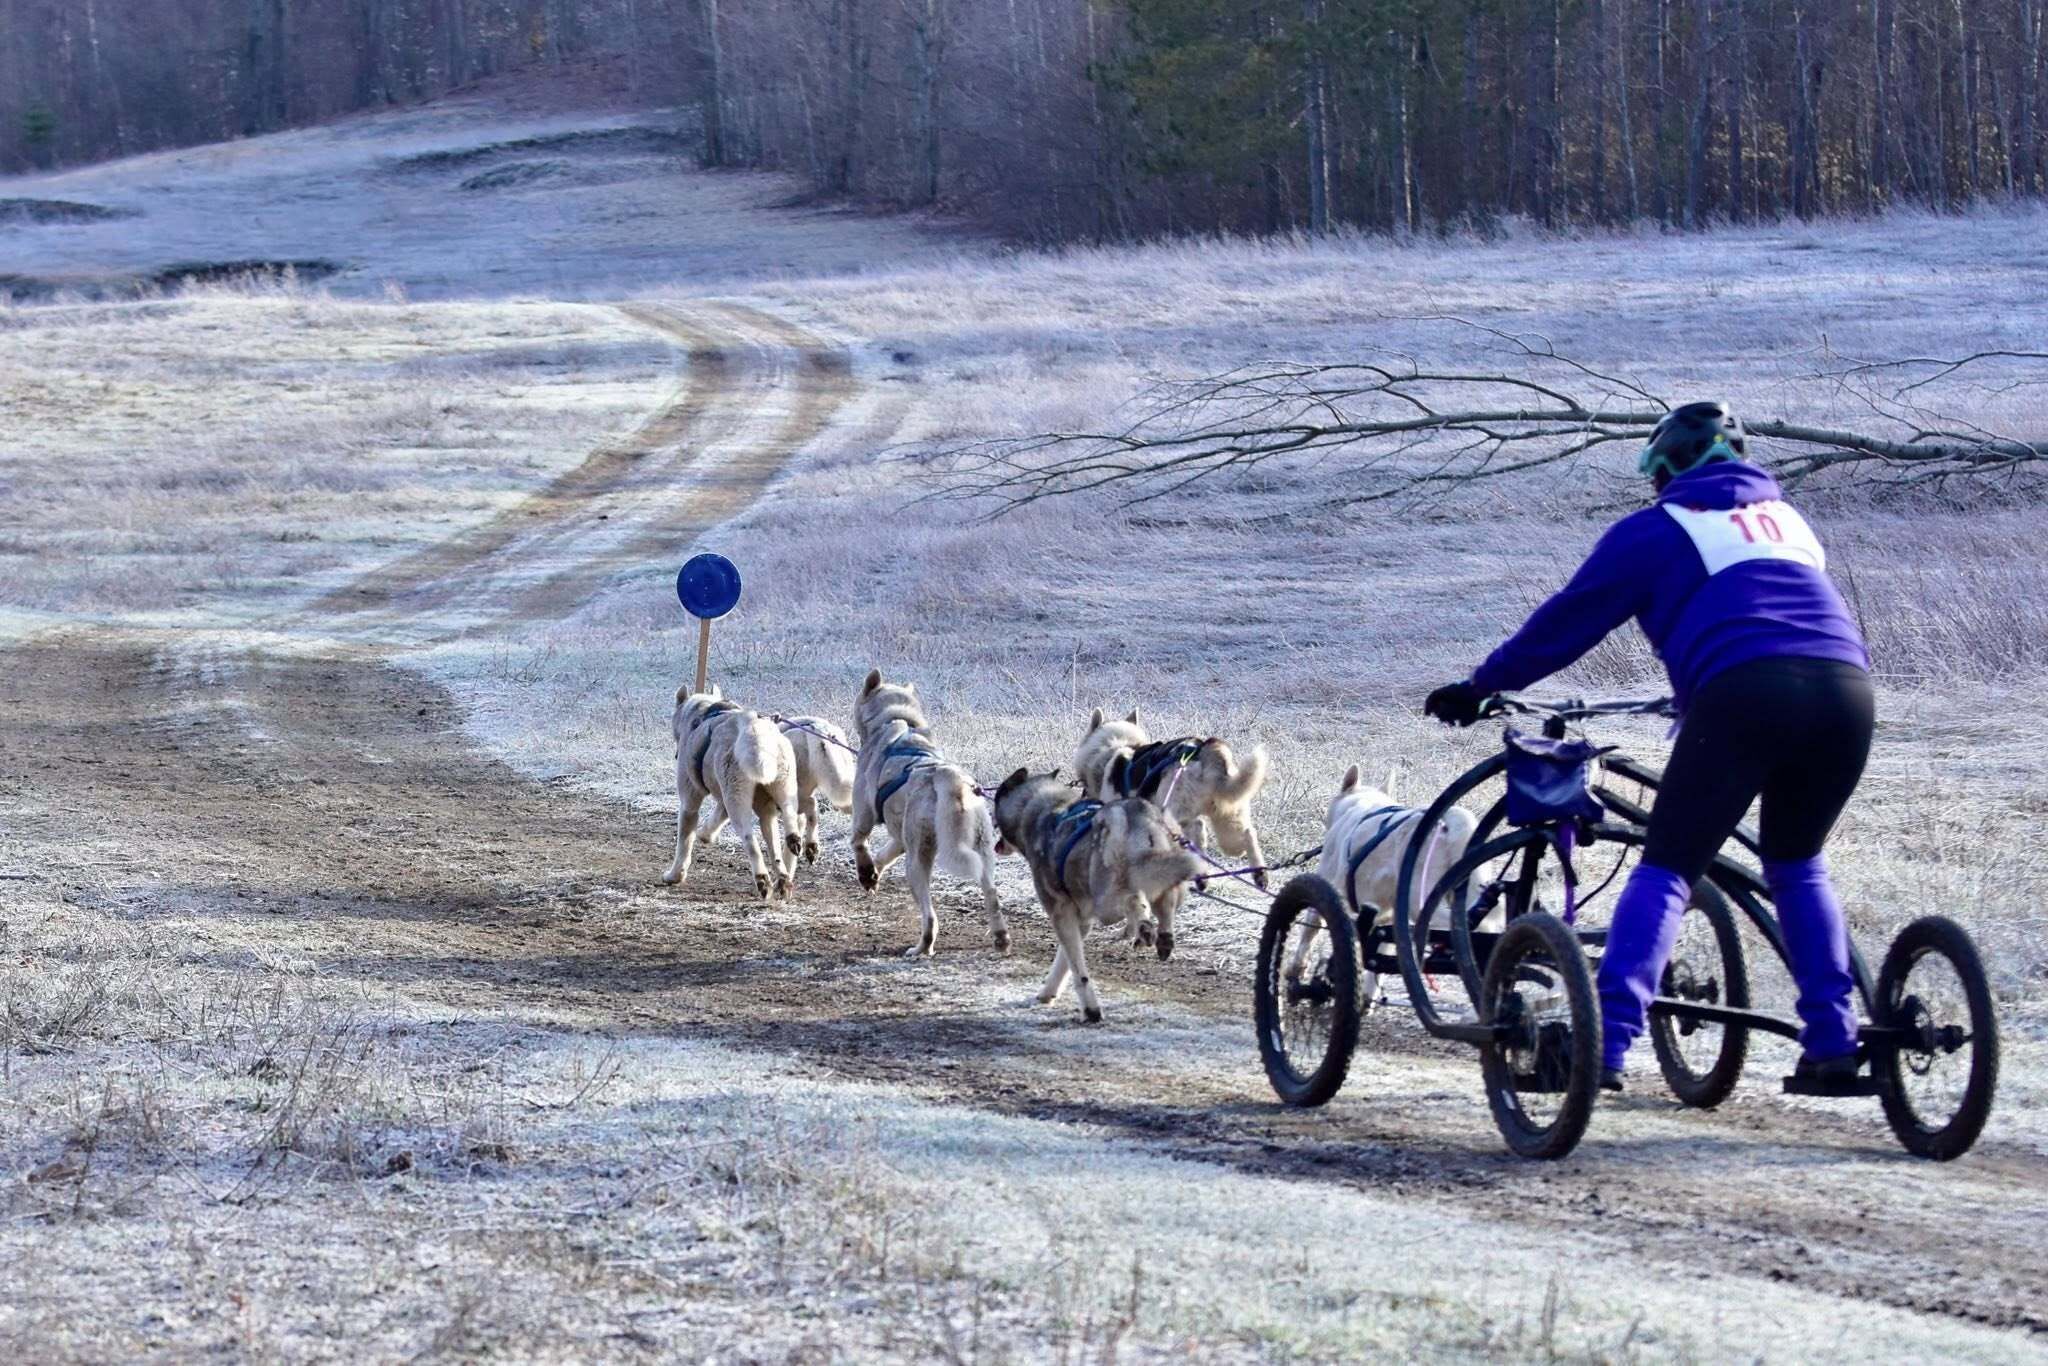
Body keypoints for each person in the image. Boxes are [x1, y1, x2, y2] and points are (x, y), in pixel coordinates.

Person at [1423, 402, 1874, 1094]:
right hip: (1847, 696)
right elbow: (1777, 615)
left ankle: (1601, 1045)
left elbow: (1568, 622)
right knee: (1797, 864)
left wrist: (1482, 686)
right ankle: (1833, 1045)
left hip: (1745, 694)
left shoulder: (1657, 529)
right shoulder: (1788, 522)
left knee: (1667, 868)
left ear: (1665, 472)